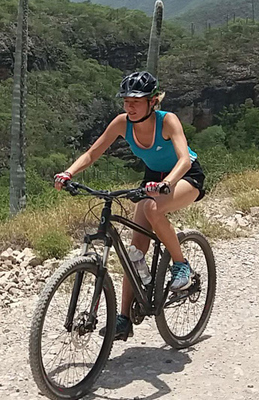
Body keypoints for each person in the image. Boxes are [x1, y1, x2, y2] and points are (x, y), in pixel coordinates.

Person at [53, 70, 205, 341]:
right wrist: (68, 173)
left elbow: (184, 159)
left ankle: (181, 265)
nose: (129, 106)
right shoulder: (122, 123)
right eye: (126, 101)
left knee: (152, 208)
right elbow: (93, 152)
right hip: (152, 181)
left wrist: (168, 182)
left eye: (136, 101)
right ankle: (123, 319)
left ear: (153, 101)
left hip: (185, 177)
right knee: (134, 252)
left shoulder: (167, 121)